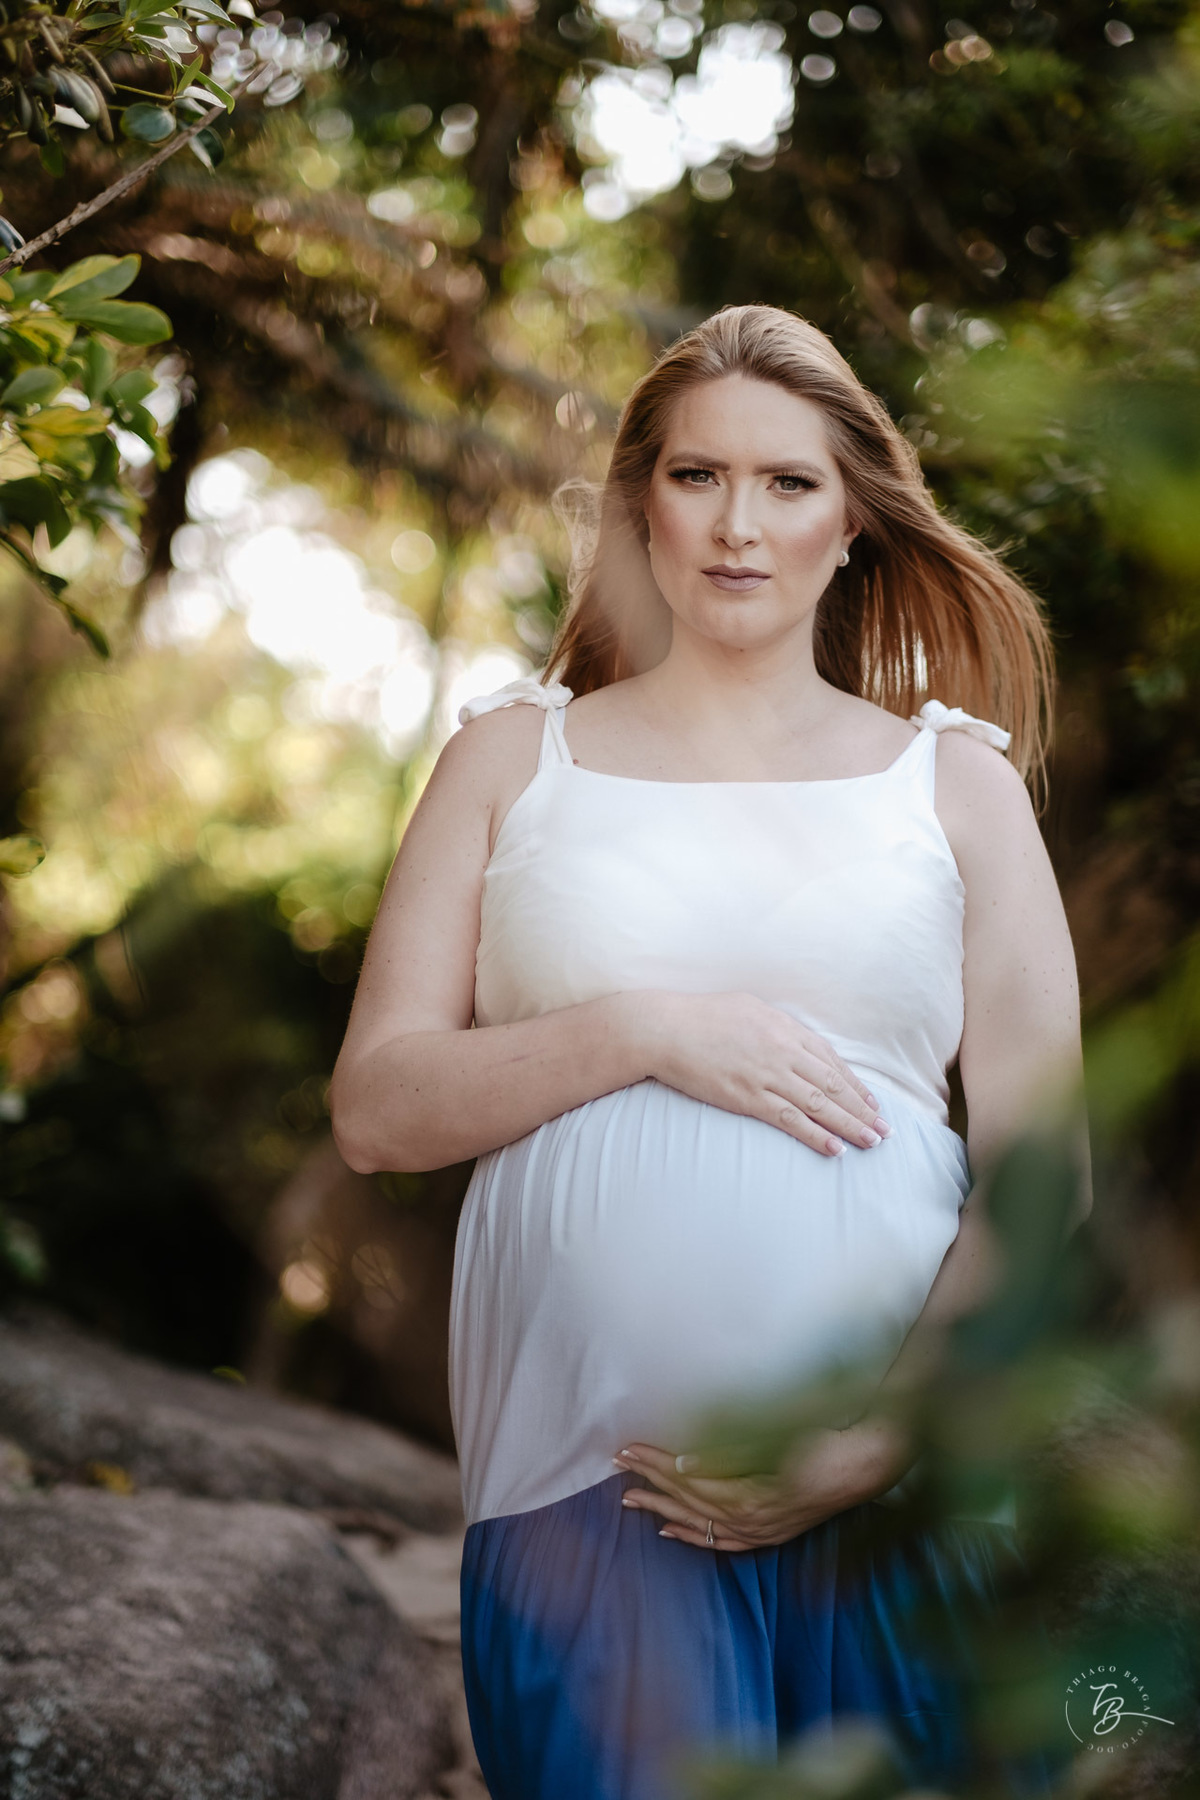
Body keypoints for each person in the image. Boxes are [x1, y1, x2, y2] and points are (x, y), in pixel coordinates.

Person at [330, 304, 1085, 1799]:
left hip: (890, 1492)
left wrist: (870, 1444)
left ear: (855, 514)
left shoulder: (956, 787)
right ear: (640, 505)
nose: (739, 526)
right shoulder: (508, 758)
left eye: (788, 483)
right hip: (586, 1497)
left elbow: (1041, 1177)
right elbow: (378, 1109)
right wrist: (641, 1030)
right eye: (697, 477)